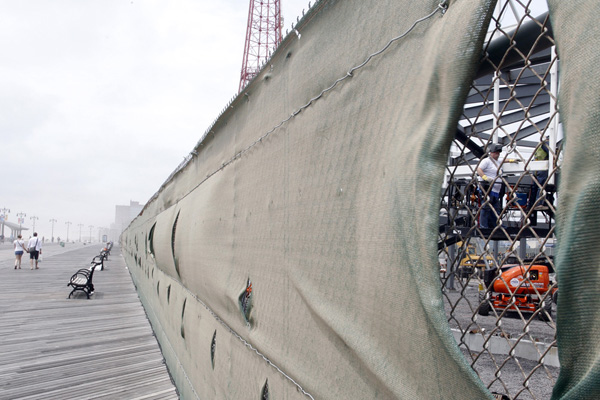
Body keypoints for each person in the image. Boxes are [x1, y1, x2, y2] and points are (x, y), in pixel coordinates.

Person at [476, 144, 505, 229]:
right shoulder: (486, 161)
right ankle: (483, 226)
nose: (497, 154)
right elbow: (479, 169)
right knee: (485, 207)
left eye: (498, 153)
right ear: (491, 153)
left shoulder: (497, 162)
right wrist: (485, 177)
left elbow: (504, 160)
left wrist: (511, 160)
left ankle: (497, 225)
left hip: (495, 190)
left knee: (495, 209)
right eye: (495, 153)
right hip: (487, 188)